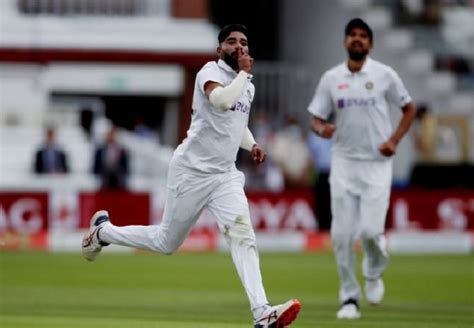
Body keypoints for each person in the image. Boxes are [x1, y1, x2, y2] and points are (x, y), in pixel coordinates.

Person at [82, 24, 301, 327]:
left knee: (243, 236)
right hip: (191, 172)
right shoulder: (209, 72)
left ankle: (261, 311)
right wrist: (243, 74)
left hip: (224, 176)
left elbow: (236, 123)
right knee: (166, 242)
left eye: (244, 42)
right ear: (219, 49)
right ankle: (103, 232)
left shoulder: (246, 85)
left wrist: (252, 145)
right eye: (231, 42)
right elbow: (221, 101)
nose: (238, 46)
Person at [307, 18, 416, 320]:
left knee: (371, 232)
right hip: (343, 162)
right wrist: (322, 129)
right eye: (352, 35)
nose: (357, 40)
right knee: (341, 235)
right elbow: (315, 118)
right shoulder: (332, 78)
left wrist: (395, 139)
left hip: (377, 164)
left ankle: (372, 272)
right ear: (345, 42)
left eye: (363, 36)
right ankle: (349, 298)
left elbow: (409, 108)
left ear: (370, 44)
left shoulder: (384, 75)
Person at [306, 131, 332, 230]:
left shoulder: (337, 131)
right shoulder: (314, 135)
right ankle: (322, 230)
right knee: (321, 206)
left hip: (336, 174)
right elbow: (311, 157)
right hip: (321, 175)